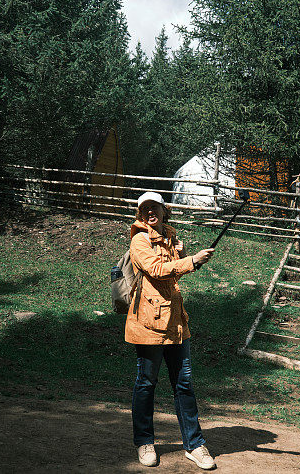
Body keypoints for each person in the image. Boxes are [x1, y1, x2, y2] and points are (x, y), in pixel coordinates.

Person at [126, 191, 216, 470]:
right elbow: (155, 269)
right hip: (148, 323)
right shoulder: (139, 240)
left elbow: (176, 271)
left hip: (177, 323)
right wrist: (192, 261)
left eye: (154, 208)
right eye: (144, 209)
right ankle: (144, 442)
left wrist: (187, 254)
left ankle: (194, 445)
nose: (149, 212)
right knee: (146, 383)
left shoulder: (171, 238)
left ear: (165, 210)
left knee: (184, 385)